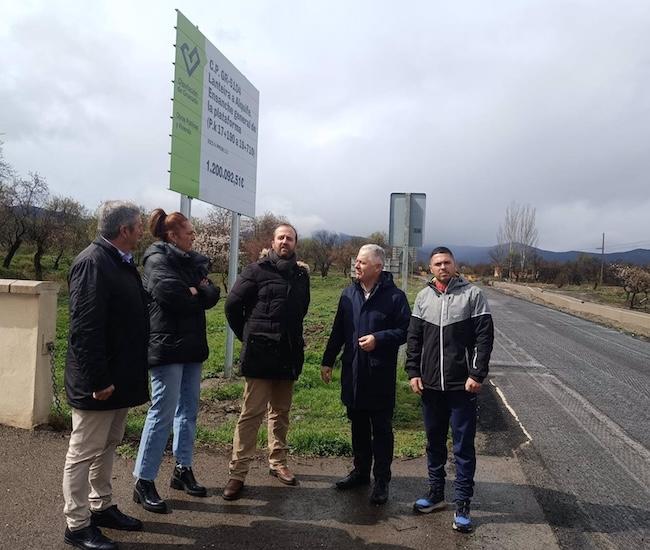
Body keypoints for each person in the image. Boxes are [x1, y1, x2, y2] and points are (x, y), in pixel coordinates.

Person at [62, 201, 149, 550]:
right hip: (98, 383)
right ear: (124, 230)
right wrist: (98, 380)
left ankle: (101, 506)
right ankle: (77, 524)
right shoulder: (92, 264)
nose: (142, 231)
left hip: (119, 380)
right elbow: (85, 330)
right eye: (139, 226)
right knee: (83, 451)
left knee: (108, 444)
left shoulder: (120, 262)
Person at [132, 209, 220, 514]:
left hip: (192, 347)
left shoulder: (191, 261)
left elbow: (212, 293)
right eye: (190, 232)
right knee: (162, 414)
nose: (194, 237)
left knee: (189, 412)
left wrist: (196, 289)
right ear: (173, 235)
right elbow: (173, 296)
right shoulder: (156, 260)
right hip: (166, 348)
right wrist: (195, 289)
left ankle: (183, 470)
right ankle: (143, 481)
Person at [406, 246, 494, 533]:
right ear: (430, 268)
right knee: (433, 442)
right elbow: (414, 338)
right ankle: (435, 493)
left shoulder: (472, 295)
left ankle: (463, 503)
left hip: (461, 385)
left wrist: (477, 373)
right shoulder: (423, 296)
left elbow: (485, 337)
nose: (443, 267)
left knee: (462, 447)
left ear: (455, 265)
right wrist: (413, 372)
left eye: (447, 262)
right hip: (430, 385)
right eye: (437, 263)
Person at [222, 224, 310, 500]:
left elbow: (301, 310)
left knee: (281, 412)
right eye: (281, 237)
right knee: (251, 414)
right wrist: (247, 336)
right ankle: (238, 473)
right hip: (259, 353)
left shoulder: (301, 274)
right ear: (272, 242)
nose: (285, 241)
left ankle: (278, 462)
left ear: (296, 243)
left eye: (290, 238)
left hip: (288, 352)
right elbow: (232, 306)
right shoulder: (256, 270)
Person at [321, 244, 411, 505]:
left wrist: (379, 339)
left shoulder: (395, 297)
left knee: (381, 430)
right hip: (353, 373)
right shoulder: (349, 294)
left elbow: (406, 330)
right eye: (356, 261)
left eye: (361, 262)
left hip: (379, 376)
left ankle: (381, 480)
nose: (356, 265)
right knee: (358, 427)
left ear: (378, 267)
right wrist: (327, 361)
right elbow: (338, 330)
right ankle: (360, 473)